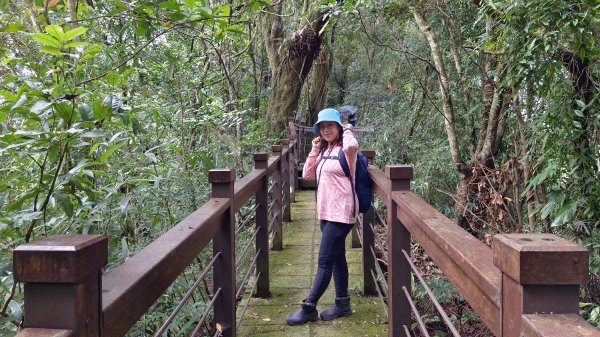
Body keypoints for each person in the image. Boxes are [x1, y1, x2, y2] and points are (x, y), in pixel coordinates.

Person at [286, 108, 359, 325]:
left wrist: (347, 128)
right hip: (326, 212)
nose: (326, 129)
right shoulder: (326, 150)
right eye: (323, 126)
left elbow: (353, 145)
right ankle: (343, 303)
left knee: (325, 260)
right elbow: (308, 174)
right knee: (337, 258)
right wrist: (314, 149)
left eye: (331, 125)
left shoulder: (347, 151)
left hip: (342, 213)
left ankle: (309, 307)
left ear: (338, 126)